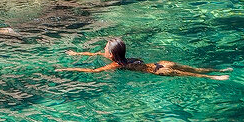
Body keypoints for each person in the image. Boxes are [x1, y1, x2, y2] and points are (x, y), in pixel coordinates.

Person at [60, 38, 230, 79]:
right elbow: (96, 54)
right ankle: (218, 70)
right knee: (195, 69)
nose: (101, 51)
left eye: (105, 49)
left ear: (111, 55)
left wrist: (69, 68)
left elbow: (93, 70)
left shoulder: (116, 65)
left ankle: (214, 77)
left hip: (160, 71)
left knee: (194, 76)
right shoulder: (123, 58)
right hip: (161, 63)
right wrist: (77, 54)